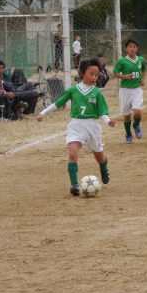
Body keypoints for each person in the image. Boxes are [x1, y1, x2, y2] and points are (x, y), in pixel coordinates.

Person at [36, 58, 116, 196]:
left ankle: (103, 168)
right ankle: (74, 185)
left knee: (99, 155)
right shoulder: (73, 90)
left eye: (96, 75)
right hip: (76, 126)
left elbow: (103, 112)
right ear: (82, 73)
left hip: (92, 126)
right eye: (91, 74)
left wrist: (108, 121)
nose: (94, 77)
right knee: (73, 154)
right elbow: (58, 103)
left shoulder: (97, 93)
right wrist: (43, 113)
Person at [113, 38, 146, 144]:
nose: (132, 49)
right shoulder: (122, 61)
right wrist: (125, 76)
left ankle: (136, 125)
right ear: (126, 49)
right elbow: (115, 73)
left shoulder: (141, 59)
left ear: (137, 49)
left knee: (137, 112)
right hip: (125, 91)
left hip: (137, 89)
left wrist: (143, 79)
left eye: (134, 47)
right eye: (130, 47)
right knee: (127, 115)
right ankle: (128, 134)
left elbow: (144, 70)